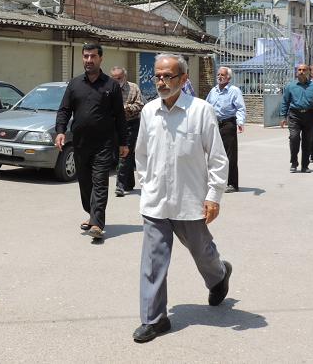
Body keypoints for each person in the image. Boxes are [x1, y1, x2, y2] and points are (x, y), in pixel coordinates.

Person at [133, 53, 230, 343]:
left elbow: (217, 157)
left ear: (184, 78)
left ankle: (219, 275)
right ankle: (154, 319)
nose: (161, 82)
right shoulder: (149, 111)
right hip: (156, 202)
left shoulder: (200, 111)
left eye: (168, 76)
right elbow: (142, 153)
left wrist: (214, 196)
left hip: (190, 200)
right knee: (153, 261)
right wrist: (146, 184)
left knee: (203, 252)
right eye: (158, 76)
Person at [55, 43, 128, 240]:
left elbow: (120, 116)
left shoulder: (111, 85)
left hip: (104, 143)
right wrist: (60, 131)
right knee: (85, 183)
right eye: (86, 56)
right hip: (80, 143)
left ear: (100, 58)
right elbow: (64, 110)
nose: (89, 60)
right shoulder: (74, 84)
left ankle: (97, 223)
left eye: (93, 56)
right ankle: (92, 214)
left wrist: (123, 142)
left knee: (100, 182)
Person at [206, 66, 246, 193]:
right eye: (218, 74)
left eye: (222, 75)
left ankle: (232, 183)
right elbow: (207, 106)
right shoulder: (213, 91)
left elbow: (240, 108)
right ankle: (216, 181)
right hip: (214, 124)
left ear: (228, 77)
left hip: (228, 124)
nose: (219, 77)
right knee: (214, 154)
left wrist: (240, 122)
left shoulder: (234, 91)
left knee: (230, 155)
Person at [280, 64, 313, 173]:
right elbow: (285, 101)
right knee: (294, 138)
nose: (301, 71)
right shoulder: (290, 86)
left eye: (304, 70)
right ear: (296, 72)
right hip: (294, 115)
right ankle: (294, 162)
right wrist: (283, 116)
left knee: (307, 141)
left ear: (308, 72)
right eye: (299, 70)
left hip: (310, 115)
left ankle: (305, 166)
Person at [110, 66, 145, 197]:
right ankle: (129, 182)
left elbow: (140, 105)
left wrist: (125, 108)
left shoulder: (133, 88)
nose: (117, 81)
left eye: (119, 78)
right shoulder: (108, 88)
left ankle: (120, 186)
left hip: (130, 124)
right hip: (114, 125)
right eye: (114, 78)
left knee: (124, 154)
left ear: (124, 77)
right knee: (122, 154)